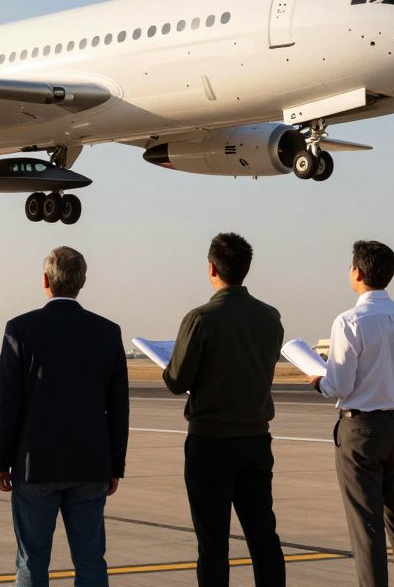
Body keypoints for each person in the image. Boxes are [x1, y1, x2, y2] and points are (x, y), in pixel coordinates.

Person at [0, 246, 129, 587]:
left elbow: (7, 402)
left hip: (34, 466)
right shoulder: (107, 332)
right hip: (90, 465)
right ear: (82, 281)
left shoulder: (20, 329)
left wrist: (0, 461)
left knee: (32, 561)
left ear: (45, 280)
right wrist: (115, 465)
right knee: (90, 560)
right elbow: (119, 407)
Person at [162, 232, 286, 587]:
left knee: (213, 542)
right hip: (256, 441)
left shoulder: (201, 318)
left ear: (212, 268)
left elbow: (176, 380)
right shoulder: (270, 317)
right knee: (264, 536)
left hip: (211, 442)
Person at [308, 240, 394, 587]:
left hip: (360, 429)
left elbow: (339, 385)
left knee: (367, 527)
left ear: (357, 273)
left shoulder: (349, 321)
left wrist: (318, 380)